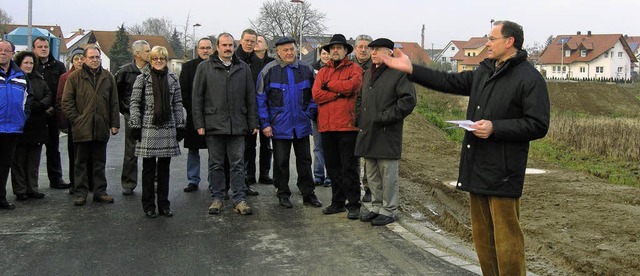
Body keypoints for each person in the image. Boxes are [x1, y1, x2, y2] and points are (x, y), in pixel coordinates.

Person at [380, 20, 550, 275]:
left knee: (507, 242)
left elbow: (538, 124)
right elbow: (448, 81)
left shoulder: (529, 78)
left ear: (509, 41)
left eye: (492, 39)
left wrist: (495, 128)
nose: (487, 43)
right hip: (476, 166)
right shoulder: (484, 71)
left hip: (504, 172)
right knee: (483, 241)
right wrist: (411, 69)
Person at [192, 33, 258, 215]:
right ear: (217, 47)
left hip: (238, 124)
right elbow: (197, 97)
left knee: (237, 164)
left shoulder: (243, 68)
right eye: (224, 45)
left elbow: (250, 97)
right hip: (214, 124)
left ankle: (239, 199)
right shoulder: (204, 68)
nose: (228, 48)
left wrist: (253, 121)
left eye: (230, 45)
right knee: (216, 164)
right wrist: (199, 123)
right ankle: (217, 198)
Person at [354, 38, 416, 226]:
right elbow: (359, 98)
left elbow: (408, 101)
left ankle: (389, 210)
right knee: (371, 173)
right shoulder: (367, 74)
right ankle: (376, 206)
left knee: (387, 174)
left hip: (387, 132)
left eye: (378, 50)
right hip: (368, 130)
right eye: (372, 50)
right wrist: (359, 118)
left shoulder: (399, 74)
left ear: (389, 52)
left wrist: (386, 116)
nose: (373, 53)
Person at [256, 37, 322, 209]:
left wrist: (309, 113)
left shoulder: (306, 69)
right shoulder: (268, 71)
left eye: (291, 49)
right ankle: (283, 193)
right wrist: (265, 124)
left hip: (301, 124)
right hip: (279, 126)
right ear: (277, 51)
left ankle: (308, 193)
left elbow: (315, 95)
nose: (289, 53)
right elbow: (261, 99)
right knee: (281, 162)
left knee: (305, 161)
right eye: (285, 50)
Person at [129, 46, 185, 218]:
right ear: (151, 60)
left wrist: (180, 125)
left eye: (162, 58)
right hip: (148, 127)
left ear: (166, 60)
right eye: (155, 59)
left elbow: (177, 104)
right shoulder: (142, 79)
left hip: (167, 127)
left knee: (164, 169)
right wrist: (135, 125)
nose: (158, 61)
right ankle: (148, 205)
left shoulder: (173, 79)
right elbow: (135, 103)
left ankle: (164, 204)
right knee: (148, 169)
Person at [62, 45, 120, 206]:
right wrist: (77, 120)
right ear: (85, 59)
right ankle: (80, 193)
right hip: (82, 128)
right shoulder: (74, 77)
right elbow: (66, 102)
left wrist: (114, 123)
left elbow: (114, 103)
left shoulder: (108, 77)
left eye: (97, 57)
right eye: (91, 57)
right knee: (80, 162)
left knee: (100, 162)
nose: (95, 60)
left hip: (101, 126)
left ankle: (100, 191)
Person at [312, 34, 363, 219]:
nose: (334, 51)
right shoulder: (323, 71)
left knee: (348, 167)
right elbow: (317, 95)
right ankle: (337, 202)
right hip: (326, 127)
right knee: (333, 167)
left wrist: (330, 86)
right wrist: (336, 94)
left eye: (338, 48)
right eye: (332, 48)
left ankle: (354, 204)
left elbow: (353, 87)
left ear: (345, 51)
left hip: (347, 127)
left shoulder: (354, 68)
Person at [10, 51, 52, 201]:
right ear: (19, 64)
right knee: (18, 160)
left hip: (37, 125)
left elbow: (48, 95)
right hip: (20, 125)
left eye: (31, 63)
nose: (29, 66)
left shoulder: (40, 80)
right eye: (26, 63)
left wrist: (39, 105)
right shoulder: (15, 79)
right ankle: (20, 190)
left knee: (34, 160)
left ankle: (33, 188)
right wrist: (30, 105)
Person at [33, 36, 70, 190]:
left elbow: (63, 89)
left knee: (53, 147)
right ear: (34, 48)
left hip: (53, 112)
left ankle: (56, 178)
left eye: (45, 46)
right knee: (33, 149)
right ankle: (31, 183)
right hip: (35, 113)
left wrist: (55, 107)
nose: (43, 49)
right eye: (40, 46)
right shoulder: (30, 65)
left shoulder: (58, 66)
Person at [0, 40, 33, 210]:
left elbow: (29, 98)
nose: (3, 53)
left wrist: (23, 117)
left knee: (5, 164)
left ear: (12, 53)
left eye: (7, 50)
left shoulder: (20, 75)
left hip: (13, 127)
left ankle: (1, 198)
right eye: (0, 50)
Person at [237, 29, 272, 189]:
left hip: (262, 109)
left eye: (255, 41)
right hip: (242, 111)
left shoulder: (262, 63)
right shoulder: (235, 59)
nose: (252, 44)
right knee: (247, 145)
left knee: (265, 144)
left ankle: (262, 174)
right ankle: (247, 176)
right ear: (241, 41)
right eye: (249, 41)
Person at [115, 40, 150, 196]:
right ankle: (128, 183)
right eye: (147, 51)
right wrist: (125, 111)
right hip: (132, 115)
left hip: (150, 115)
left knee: (152, 150)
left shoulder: (152, 70)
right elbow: (117, 94)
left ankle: (153, 182)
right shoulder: (124, 72)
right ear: (137, 53)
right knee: (131, 150)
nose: (150, 53)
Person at [57, 48, 92, 195]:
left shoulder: (91, 75)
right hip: (74, 123)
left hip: (90, 121)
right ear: (72, 61)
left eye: (81, 58)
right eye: (76, 59)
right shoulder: (66, 77)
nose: (79, 61)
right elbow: (61, 100)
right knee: (75, 155)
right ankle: (75, 183)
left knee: (90, 155)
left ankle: (90, 182)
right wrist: (66, 122)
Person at [180, 37, 213, 193]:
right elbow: (183, 91)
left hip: (214, 115)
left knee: (215, 150)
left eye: (208, 47)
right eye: (202, 48)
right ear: (197, 49)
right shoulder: (188, 67)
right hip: (194, 115)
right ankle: (193, 180)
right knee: (193, 149)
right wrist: (193, 109)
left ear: (212, 49)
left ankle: (214, 181)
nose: (205, 50)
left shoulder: (217, 65)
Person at [351, 34, 374, 202]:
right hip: (350, 115)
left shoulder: (376, 67)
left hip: (370, 116)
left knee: (369, 155)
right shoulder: (349, 67)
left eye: (367, 47)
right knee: (352, 154)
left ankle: (369, 187)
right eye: (361, 46)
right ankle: (353, 186)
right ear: (355, 49)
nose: (364, 50)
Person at [310, 48, 332, 187]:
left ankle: (330, 175)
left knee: (330, 146)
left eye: (328, 53)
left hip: (332, 114)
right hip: (317, 113)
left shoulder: (335, 69)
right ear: (320, 55)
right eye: (324, 53)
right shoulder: (312, 69)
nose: (326, 56)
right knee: (318, 146)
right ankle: (318, 175)